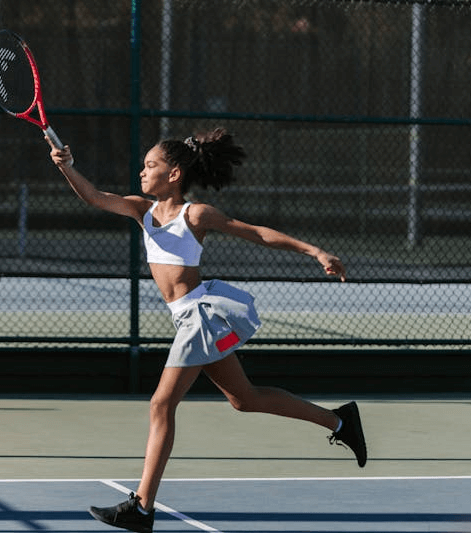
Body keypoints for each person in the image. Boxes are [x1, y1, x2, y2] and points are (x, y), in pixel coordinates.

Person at [46, 128, 366, 533]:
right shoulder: (140, 210)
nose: (142, 172)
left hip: (201, 316)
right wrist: (67, 166)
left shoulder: (195, 215)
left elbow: (257, 233)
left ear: (175, 173)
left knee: (161, 405)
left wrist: (315, 251)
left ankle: (142, 507)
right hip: (188, 319)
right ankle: (340, 423)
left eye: (151, 166)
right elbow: (93, 196)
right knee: (244, 399)